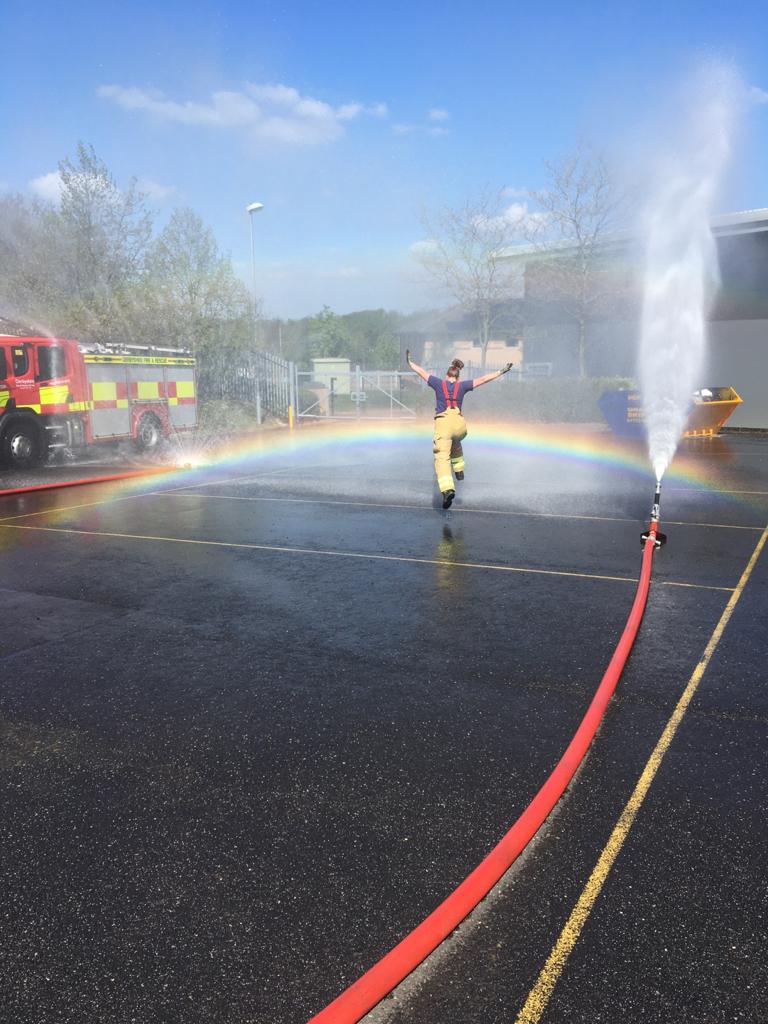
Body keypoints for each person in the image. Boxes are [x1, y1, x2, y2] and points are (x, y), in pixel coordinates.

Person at [406, 350, 514, 508]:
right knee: (455, 441)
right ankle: (459, 469)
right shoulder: (462, 386)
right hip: (459, 425)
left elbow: (421, 372)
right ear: (458, 377)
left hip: (443, 423)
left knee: (442, 457)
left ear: (446, 375)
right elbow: (483, 379)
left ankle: (448, 490)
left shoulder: (438, 383)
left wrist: (409, 361)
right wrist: (501, 371)